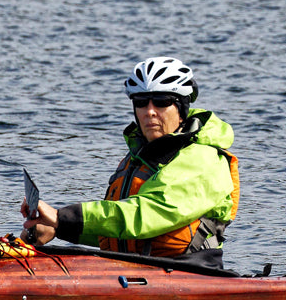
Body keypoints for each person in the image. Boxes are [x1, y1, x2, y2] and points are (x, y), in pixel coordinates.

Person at [21, 56, 240, 270]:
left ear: (181, 110)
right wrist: (58, 229)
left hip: (190, 273)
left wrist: (64, 217)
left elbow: (146, 216)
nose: (150, 111)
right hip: (136, 270)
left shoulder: (202, 159)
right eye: (142, 102)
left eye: (162, 102)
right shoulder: (140, 157)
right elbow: (120, 230)